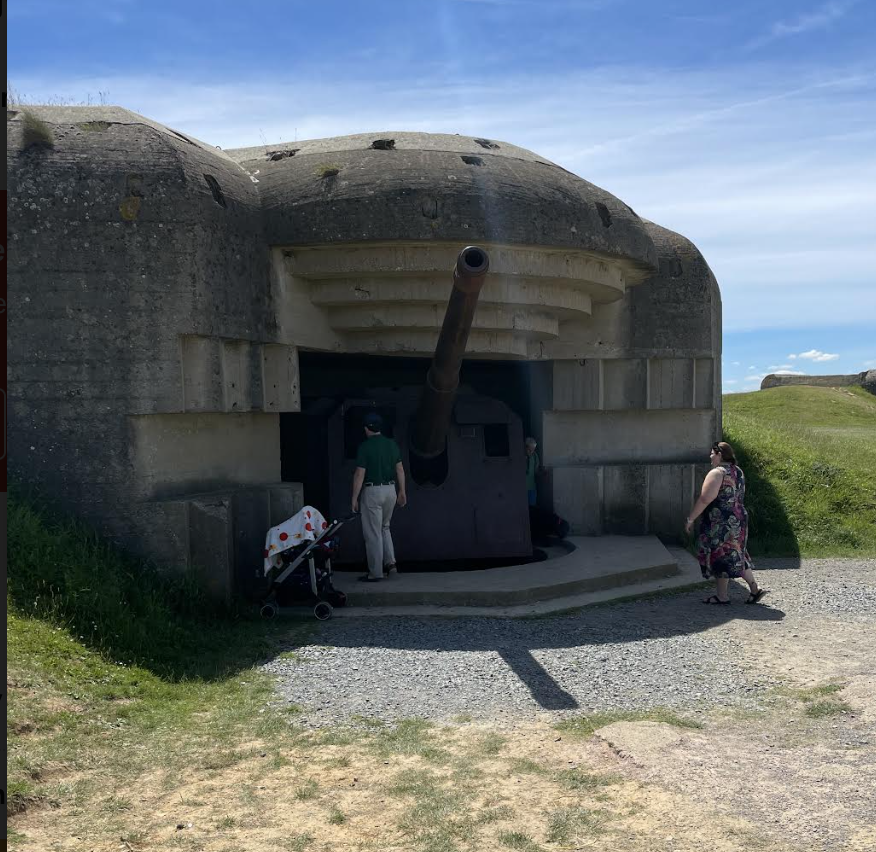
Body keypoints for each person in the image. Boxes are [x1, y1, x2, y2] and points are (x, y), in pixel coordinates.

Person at [685, 441, 767, 605]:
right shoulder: (738, 471)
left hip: (720, 520)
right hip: (738, 517)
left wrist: (691, 518)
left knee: (720, 552)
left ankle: (722, 596)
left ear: (719, 454)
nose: (710, 456)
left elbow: (705, 498)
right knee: (737, 552)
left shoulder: (717, 473)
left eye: (712, 453)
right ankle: (754, 589)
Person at [351, 411, 407, 582]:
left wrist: (354, 497)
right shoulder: (392, 445)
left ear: (366, 428)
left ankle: (375, 573)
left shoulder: (365, 447)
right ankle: (391, 564)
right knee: (385, 527)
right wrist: (402, 491)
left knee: (373, 533)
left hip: (372, 491)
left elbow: (360, 474)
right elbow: (400, 469)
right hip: (390, 489)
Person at [524, 437, 540, 507]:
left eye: (534, 448)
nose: (532, 450)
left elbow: (536, 471)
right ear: (526, 446)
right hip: (522, 487)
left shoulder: (535, 456)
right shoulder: (520, 455)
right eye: (531, 448)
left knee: (532, 506)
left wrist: (543, 473)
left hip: (532, 487)